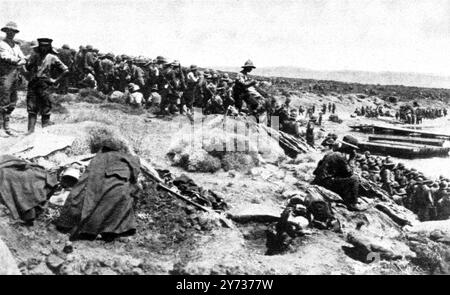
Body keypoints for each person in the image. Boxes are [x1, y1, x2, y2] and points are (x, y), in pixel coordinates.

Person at [25, 38, 69, 133]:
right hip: (33, 83)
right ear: (39, 46)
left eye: (46, 46)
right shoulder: (34, 56)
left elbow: (65, 70)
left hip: (45, 84)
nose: (43, 48)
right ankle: (30, 132)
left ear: (49, 47)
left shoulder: (52, 57)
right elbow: (27, 67)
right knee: (31, 108)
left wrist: (55, 80)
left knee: (46, 108)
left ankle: (45, 132)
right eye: (42, 46)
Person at [311, 143, 361, 210]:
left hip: (319, 180)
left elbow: (316, 170)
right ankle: (352, 204)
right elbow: (349, 173)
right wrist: (351, 159)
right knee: (355, 179)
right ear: (346, 146)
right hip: (326, 182)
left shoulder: (331, 153)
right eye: (352, 148)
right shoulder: (340, 156)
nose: (353, 150)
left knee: (344, 179)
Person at [0, 21, 26, 137]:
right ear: (6, 32)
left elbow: (23, 58)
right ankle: (2, 127)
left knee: (13, 101)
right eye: (9, 32)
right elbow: (5, 57)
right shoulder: (1, 44)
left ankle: (6, 126)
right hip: (5, 74)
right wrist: (19, 60)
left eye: (13, 32)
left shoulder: (16, 46)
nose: (11, 34)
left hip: (15, 74)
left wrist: (21, 60)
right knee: (3, 100)